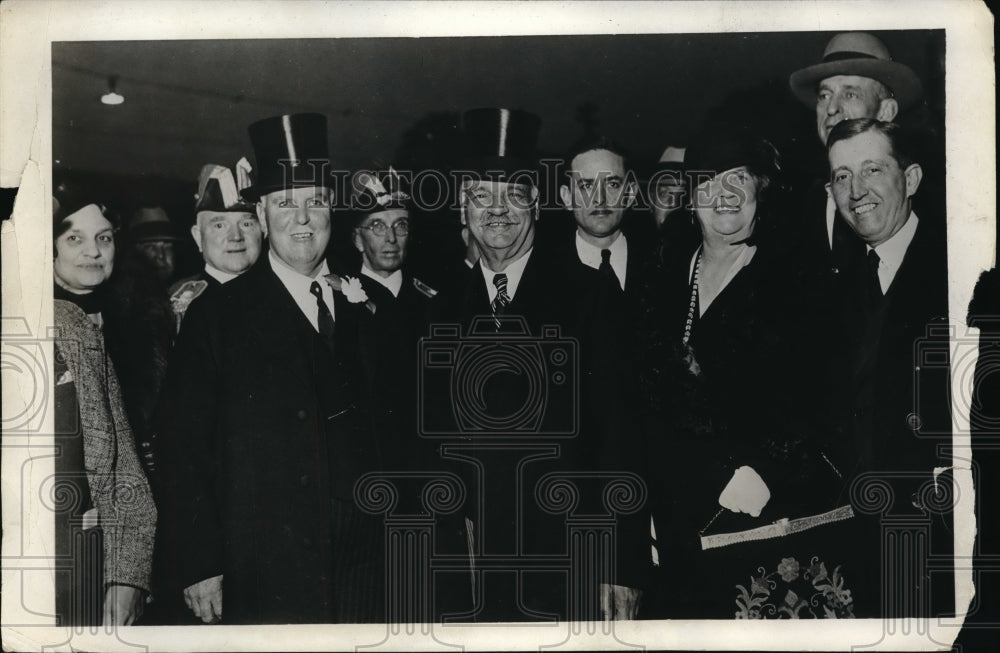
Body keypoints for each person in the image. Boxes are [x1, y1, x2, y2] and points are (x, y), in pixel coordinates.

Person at [156, 113, 384, 624]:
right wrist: (200, 562)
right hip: (264, 563)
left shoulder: (371, 306)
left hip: (367, 565)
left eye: (315, 202)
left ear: (332, 209)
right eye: (285, 203)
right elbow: (183, 449)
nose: (302, 219)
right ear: (260, 214)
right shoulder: (215, 316)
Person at [638, 124, 855, 619]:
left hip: (757, 514)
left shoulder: (795, 278)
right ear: (690, 199)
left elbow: (820, 401)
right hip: (674, 514)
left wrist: (765, 468)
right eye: (707, 181)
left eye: (737, 177)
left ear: (760, 188)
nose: (724, 194)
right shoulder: (663, 273)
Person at [824, 118, 951, 617]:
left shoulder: (958, 268)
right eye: (842, 176)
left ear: (911, 179)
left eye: (872, 169)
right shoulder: (836, 285)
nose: (856, 190)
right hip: (860, 546)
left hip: (945, 539)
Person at [52, 188, 157, 626]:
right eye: (75, 238)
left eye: (105, 238)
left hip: (87, 555)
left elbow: (122, 458)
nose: (93, 251)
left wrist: (127, 573)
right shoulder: (44, 318)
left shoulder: (132, 317)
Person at [555, 136, 650, 619]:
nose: (599, 197)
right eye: (584, 185)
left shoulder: (669, 267)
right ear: (566, 196)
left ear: (630, 192)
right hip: (568, 527)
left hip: (658, 519)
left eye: (611, 184)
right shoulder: (542, 279)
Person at [787, 31, 923, 282]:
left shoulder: (928, 204)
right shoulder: (791, 204)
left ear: (886, 111)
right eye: (824, 95)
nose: (831, 108)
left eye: (850, 94)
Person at [168, 160, 263, 330]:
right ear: (198, 237)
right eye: (220, 226)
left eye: (246, 224)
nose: (236, 236)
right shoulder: (174, 303)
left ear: (263, 230)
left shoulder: (285, 290)